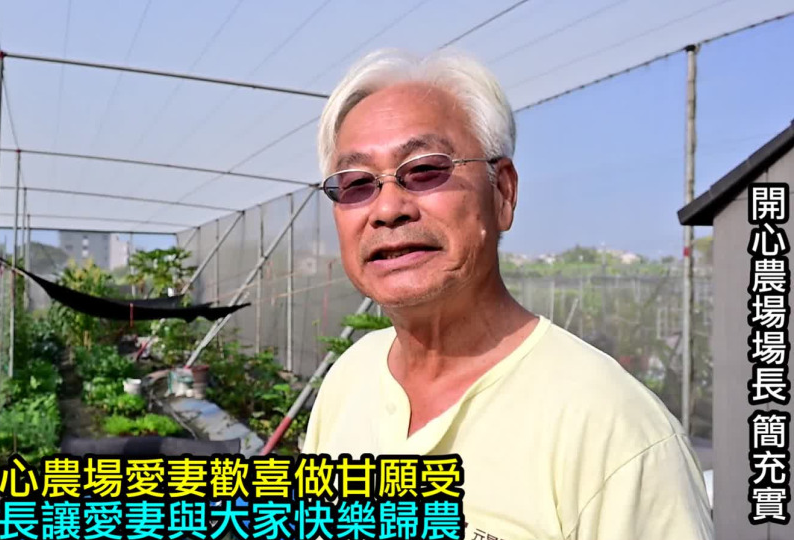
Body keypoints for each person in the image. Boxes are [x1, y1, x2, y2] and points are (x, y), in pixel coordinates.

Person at [302, 48, 714, 540]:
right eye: (355, 183)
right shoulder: (350, 379)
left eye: (426, 169)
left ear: (502, 193)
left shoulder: (615, 432)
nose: (389, 209)